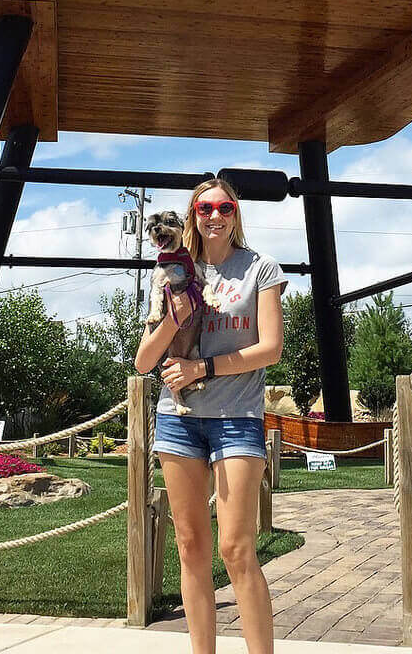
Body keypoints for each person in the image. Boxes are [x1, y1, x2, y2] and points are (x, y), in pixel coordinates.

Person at [134, 178, 286, 654]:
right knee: (191, 548)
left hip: (237, 416)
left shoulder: (260, 269)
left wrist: (205, 366)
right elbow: (143, 361)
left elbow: (271, 349)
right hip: (179, 420)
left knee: (236, 548)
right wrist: (176, 317)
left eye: (224, 207)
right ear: (192, 215)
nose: (214, 215)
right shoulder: (173, 270)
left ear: (235, 213)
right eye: (204, 208)